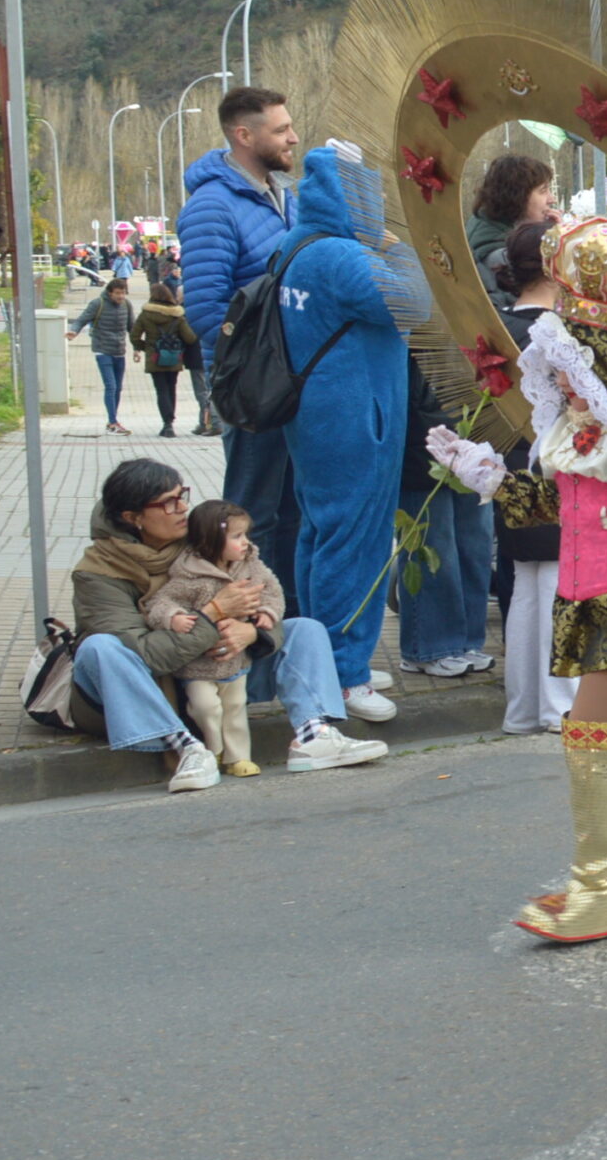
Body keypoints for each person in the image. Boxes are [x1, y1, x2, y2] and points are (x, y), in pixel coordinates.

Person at [427, 193, 607, 943]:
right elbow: (562, 505)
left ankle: (595, 889)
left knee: (591, 735)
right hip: (590, 592)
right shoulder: (582, 424)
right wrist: (489, 477)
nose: (554, 384)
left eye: (564, 371)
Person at [72, 459, 385, 791]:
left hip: (213, 667)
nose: (182, 508)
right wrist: (214, 613)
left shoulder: (202, 542)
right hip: (135, 689)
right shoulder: (97, 572)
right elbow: (146, 656)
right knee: (100, 647)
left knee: (304, 628)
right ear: (133, 518)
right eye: (168, 502)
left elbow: (262, 602)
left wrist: (253, 632)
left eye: (182, 495)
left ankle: (314, 735)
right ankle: (188, 749)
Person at [277, 141, 432, 722]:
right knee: (356, 541)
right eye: (372, 195)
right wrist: (397, 245)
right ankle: (345, 674)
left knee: (320, 535)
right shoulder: (343, 256)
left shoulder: (296, 245)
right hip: (354, 419)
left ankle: (328, 657)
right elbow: (414, 301)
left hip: (317, 418)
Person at [178, 86, 304, 613]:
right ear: (243, 135)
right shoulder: (212, 207)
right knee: (256, 518)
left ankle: (294, 637)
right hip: (256, 393)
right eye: (281, 129)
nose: (293, 137)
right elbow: (208, 313)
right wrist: (268, 362)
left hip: (295, 383)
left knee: (296, 515)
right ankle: (255, 653)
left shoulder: (284, 196)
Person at [493, 223, 576, 736]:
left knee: (526, 580)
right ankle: (560, 705)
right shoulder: (556, 331)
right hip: (557, 463)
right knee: (557, 583)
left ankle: (525, 705)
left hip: (508, 462)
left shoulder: (496, 325)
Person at [141, 500, 281, 776]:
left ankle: (238, 757)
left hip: (236, 659)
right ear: (212, 540)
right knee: (206, 708)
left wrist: (267, 613)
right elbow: (160, 602)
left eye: (246, 535)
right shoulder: (190, 573)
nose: (245, 543)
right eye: (237, 536)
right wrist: (174, 616)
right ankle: (213, 750)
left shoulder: (250, 566)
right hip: (199, 663)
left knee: (235, 707)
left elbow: (273, 591)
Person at [397, 355, 498, 680]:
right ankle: (427, 647)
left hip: (473, 431)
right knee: (432, 545)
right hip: (424, 438)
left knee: (475, 543)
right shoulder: (414, 314)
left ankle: (467, 639)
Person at [466, 153, 556, 309]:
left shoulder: (491, 226)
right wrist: (556, 241)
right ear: (517, 195)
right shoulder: (494, 250)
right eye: (543, 191)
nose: (551, 199)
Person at [127, 283, 199, 439]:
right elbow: (190, 338)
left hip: (155, 358)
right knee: (171, 388)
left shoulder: (146, 314)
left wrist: (148, 348)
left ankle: (166, 424)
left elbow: (134, 336)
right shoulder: (178, 315)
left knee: (161, 390)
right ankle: (170, 422)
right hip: (174, 357)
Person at [68, 277, 135, 434]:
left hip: (120, 350)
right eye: (118, 293)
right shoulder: (98, 303)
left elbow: (132, 327)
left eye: (123, 293)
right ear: (110, 292)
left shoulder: (127, 305)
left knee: (118, 388)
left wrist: (137, 348)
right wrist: (74, 331)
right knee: (110, 386)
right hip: (102, 349)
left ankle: (112, 419)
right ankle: (112, 422)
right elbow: (82, 319)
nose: (120, 296)